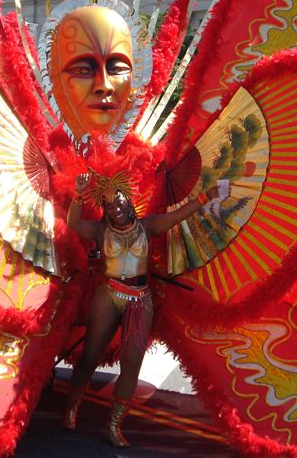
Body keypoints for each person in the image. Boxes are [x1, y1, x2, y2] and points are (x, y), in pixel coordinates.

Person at [61, 172, 219, 446]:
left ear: (129, 202)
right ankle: (71, 409)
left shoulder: (148, 227)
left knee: (132, 363)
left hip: (140, 299)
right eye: (110, 206)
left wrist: (206, 197)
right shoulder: (100, 231)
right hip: (108, 296)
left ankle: (113, 425)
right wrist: (78, 192)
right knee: (90, 356)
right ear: (106, 210)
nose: (117, 209)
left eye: (120, 203)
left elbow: (179, 215)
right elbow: (73, 222)